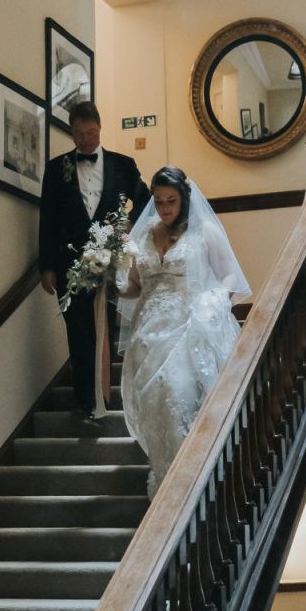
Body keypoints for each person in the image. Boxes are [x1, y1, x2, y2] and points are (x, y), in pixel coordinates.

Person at [117, 166, 251, 497]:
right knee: (154, 405)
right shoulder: (144, 234)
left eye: (171, 201)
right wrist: (112, 280)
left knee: (176, 393)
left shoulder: (204, 230)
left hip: (188, 327)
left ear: (185, 198)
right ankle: (167, 479)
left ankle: (191, 482)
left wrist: (216, 300)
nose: (164, 208)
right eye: (159, 201)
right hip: (148, 332)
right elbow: (135, 285)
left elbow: (230, 276)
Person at [39, 101, 150, 420]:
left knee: (103, 328)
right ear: (71, 132)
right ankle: (84, 402)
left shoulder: (123, 165)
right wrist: (46, 265)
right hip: (68, 263)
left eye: (90, 132)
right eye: (78, 133)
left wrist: (126, 226)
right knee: (77, 330)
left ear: (100, 128)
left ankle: (104, 396)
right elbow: (47, 218)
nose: (85, 139)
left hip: (109, 261)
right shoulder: (56, 168)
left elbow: (144, 200)